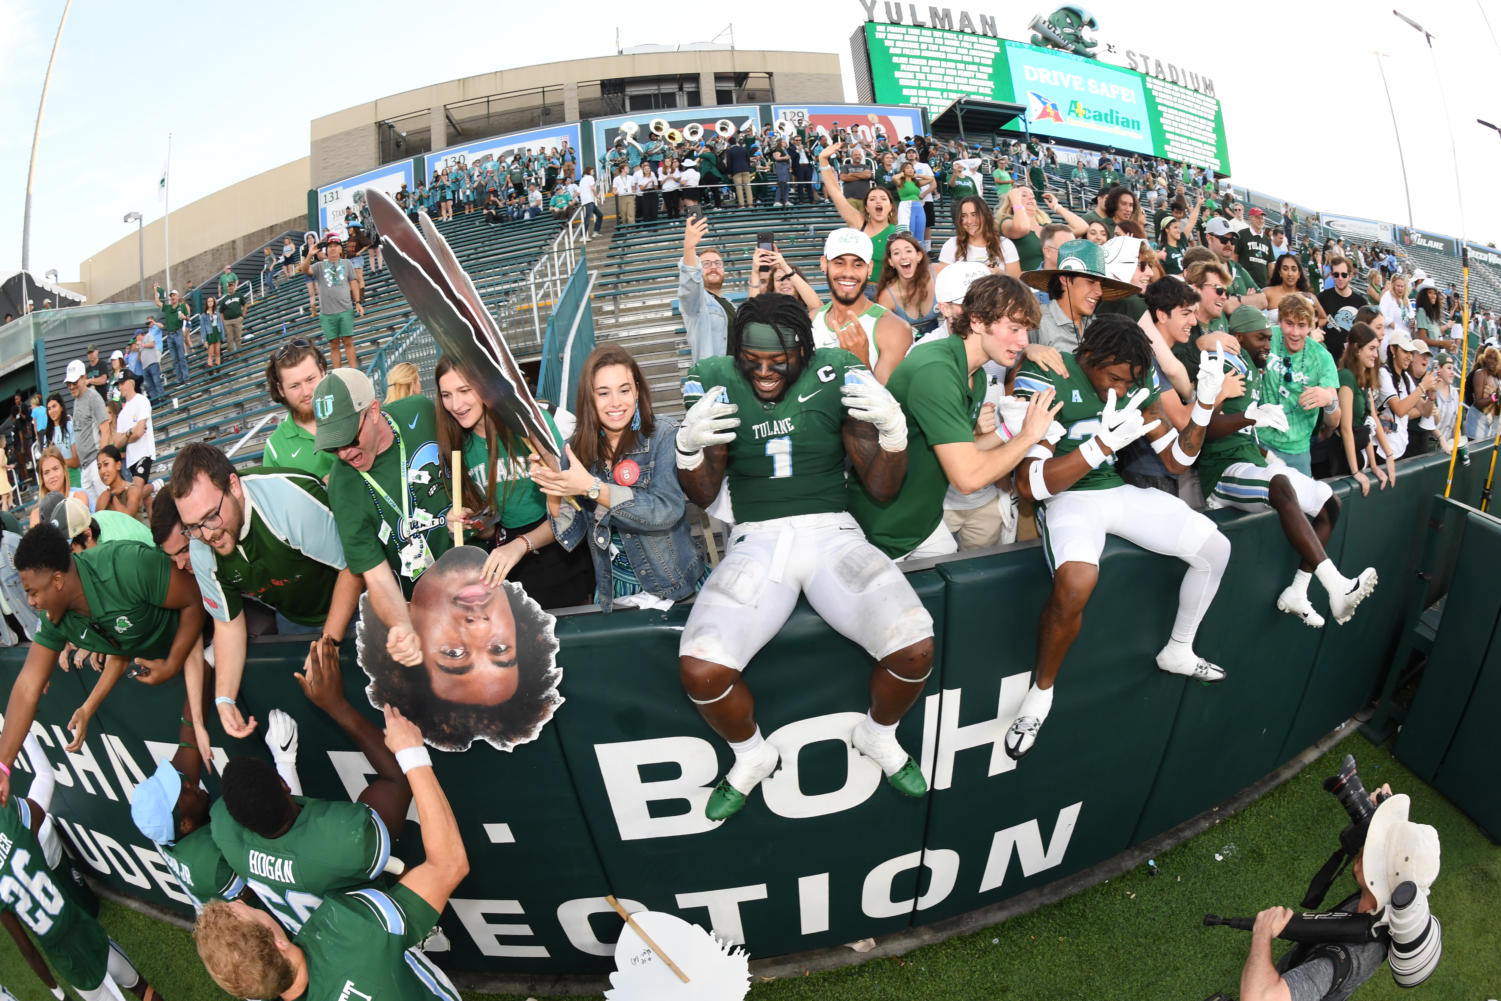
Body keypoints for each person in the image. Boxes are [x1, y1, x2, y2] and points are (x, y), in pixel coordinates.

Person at [675, 293, 935, 819]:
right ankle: (750, 754)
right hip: (756, 537)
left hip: (832, 531)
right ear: (735, 351)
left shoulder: (834, 369)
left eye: (779, 361)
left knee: (914, 645)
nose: (765, 374)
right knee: (702, 668)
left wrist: (894, 434)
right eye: (753, 361)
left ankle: (878, 734)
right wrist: (687, 451)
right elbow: (703, 495)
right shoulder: (716, 376)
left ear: (805, 350)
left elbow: (882, 488)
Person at [1009, 315, 1236, 759]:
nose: (1117, 390)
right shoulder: (1049, 374)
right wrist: (1099, 446)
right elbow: (1028, 484)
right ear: (1088, 355)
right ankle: (1040, 693)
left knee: (1216, 548)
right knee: (1076, 582)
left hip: (1118, 489)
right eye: (1112, 377)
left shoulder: (1133, 382)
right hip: (1069, 497)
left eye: (1127, 382)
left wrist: (1204, 407)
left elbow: (1176, 460)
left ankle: (1179, 648)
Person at [194, 705, 466, 1001]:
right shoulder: (352, 930)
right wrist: (412, 755)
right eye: (247, 908)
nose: (245, 903)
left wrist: (285, 763)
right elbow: (449, 865)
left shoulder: (265, 979)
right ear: (277, 943)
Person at [850, 275, 1062, 561]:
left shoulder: (977, 376)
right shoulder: (936, 370)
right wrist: (1028, 436)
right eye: (1013, 328)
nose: (1023, 340)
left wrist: (1009, 433)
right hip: (881, 529)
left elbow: (962, 449)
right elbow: (967, 477)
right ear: (976, 321)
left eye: (1027, 330)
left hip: (923, 523)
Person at [1198, 306, 1377, 628]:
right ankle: (1336, 584)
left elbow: (1247, 431)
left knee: (1329, 502)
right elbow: (1202, 429)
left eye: (1270, 337)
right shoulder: (1223, 363)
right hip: (1221, 470)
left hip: (1251, 458)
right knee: (1280, 484)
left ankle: (1298, 591)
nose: (1270, 343)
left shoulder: (1253, 366)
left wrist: (1265, 448)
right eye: (1263, 338)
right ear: (1239, 338)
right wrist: (1251, 416)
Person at [170, 442, 362, 736]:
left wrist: (328, 644)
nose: (207, 534)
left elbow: (352, 567)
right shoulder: (200, 546)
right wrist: (224, 698)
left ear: (233, 486)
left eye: (211, 517)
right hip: (294, 617)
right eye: (193, 526)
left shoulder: (289, 501)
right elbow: (228, 624)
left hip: (355, 603)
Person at [0, 526, 208, 793]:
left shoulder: (124, 566)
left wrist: (172, 663)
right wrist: (4, 767)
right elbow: (28, 686)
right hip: (167, 663)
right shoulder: (55, 617)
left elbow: (195, 598)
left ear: (57, 580)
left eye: (32, 592)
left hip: (211, 636)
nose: (30, 602)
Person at [528, 345, 704, 610]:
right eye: (603, 393)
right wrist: (553, 484)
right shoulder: (574, 450)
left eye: (624, 390)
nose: (616, 402)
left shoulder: (664, 434)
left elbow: (666, 510)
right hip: (614, 591)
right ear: (589, 397)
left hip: (675, 585)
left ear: (636, 390)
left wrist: (592, 487)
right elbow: (570, 531)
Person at [0, 735, 161, 1001]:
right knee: (143, 990)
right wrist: (24, 731)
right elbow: (44, 776)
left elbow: (27, 949)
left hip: (68, 962)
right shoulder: (9, 820)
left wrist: (58, 993)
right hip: (86, 931)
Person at [1239, 790, 1439, 1001]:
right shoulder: (1385, 903)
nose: (1365, 849)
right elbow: (1406, 861)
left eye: (1376, 849)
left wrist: (1261, 935)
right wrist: (1381, 815)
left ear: (1381, 875)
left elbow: (1258, 998)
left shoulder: (1347, 956)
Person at [314, 368, 450, 672]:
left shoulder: (421, 411)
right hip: (423, 610)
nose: (345, 453)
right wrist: (401, 625)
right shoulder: (342, 485)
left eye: (350, 438)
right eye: (334, 446)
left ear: (373, 411)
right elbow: (375, 576)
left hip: (480, 578)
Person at [434, 358, 592, 609]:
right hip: (510, 564)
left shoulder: (533, 423)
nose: (456, 404)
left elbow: (569, 512)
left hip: (561, 555)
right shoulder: (458, 446)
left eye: (465, 391)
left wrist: (521, 545)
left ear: (485, 384)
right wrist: (467, 524)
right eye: (446, 395)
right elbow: (490, 527)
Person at [813, 228, 912, 384]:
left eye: (858, 264)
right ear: (824, 264)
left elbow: (890, 403)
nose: (848, 272)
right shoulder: (812, 319)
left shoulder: (894, 329)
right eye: (839, 263)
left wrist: (860, 363)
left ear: (869, 269)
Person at [1256, 296, 1340, 474]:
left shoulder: (1322, 358)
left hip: (1295, 451)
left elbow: (1334, 421)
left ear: (1311, 326)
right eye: (1289, 323)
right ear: (1280, 320)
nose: (1295, 332)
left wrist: (1329, 401)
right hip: (1258, 441)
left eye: (1301, 325)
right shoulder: (1267, 336)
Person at [1021, 239, 1139, 353]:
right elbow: (1011, 371)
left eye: (1101, 284)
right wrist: (1028, 351)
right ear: (1065, 280)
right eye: (1091, 282)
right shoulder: (1036, 322)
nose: (1099, 292)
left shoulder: (1098, 327)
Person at [820, 142, 901, 287]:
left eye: (883, 199)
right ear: (867, 207)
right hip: (861, 292)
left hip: (891, 292)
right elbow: (835, 192)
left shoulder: (899, 232)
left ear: (890, 207)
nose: (878, 202)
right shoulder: (859, 224)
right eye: (872, 199)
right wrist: (823, 160)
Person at [1336, 323, 1397, 494]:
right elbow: (1346, 428)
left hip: (1358, 455)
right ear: (1357, 349)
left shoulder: (1364, 378)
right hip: (1342, 460)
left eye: (1376, 349)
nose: (1375, 355)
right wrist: (1356, 472)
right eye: (1371, 349)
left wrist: (1375, 466)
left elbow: (1367, 425)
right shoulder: (1347, 377)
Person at [262, 339, 334, 480]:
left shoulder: (354, 410)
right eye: (294, 386)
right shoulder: (275, 448)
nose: (306, 392)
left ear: (322, 372)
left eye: (310, 379)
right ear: (281, 389)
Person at [302, 232, 364, 370]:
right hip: (327, 313)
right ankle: (338, 375)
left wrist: (358, 302)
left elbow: (354, 283)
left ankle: (354, 372)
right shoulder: (320, 266)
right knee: (334, 345)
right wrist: (310, 254)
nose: (333, 248)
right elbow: (305, 270)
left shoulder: (347, 263)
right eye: (330, 246)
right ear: (327, 249)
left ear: (340, 249)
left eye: (336, 245)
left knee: (348, 342)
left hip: (345, 310)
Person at [679, 215, 736, 362]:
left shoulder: (730, 305)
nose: (713, 267)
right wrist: (689, 247)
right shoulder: (697, 302)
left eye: (718, 263)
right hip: (714, 379)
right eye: (706, 264)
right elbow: (690, 285)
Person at [1374, 333, 1432, 463]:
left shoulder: (1406, 378)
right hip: (1382, 449)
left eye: (1411, 353)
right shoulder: (1384, 373)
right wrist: (1422, 387)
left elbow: (1425, 411)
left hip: (1400, 446)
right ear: (1393, 350)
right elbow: (1399, 410)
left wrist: (1432, 396)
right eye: (1405, 351)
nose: (1409, 357)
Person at [875, 232, 943, 339]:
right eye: (896, 253)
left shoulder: (938, 274)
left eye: (908, 251)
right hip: (905, 342)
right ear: (891, 262)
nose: (903, 257)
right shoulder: (887, 296)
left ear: (919, 256)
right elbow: (883, 335)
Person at [939, 195, 1020, 276]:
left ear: (985, 216)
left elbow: (1017, 283)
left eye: (974, 215)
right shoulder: (951, 245)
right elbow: (942, 281)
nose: (969, 221)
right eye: (964, 216)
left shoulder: (1005, 244)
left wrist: (1001, 275)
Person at [43, 492, 152, 549]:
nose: (73, 559)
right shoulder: (93, 521)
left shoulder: (113, 547)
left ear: (88, 535)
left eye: (72, 551)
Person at [1318, 255, 1365, 361]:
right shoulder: (1322, 298)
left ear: (1350, 276)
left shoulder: (1361, 302)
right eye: (1336, 274)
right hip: (1327, 359)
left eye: (1344, 275)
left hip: (1351, 360)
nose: (1340, 278)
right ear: (1331, 275)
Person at [29, 446, 90, 526]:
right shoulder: (36, 514)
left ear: (64, 470)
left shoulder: (79, 496)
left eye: (55, 469)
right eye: (47, 472)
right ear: (42, 478)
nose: (52, 476)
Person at [114, 371, 156, 483]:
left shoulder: (141, 400)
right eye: (119, 384)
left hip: (144, 453)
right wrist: (130, 432)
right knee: (143, 497)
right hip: (131, 458)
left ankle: (156, 486)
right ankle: (157, 486)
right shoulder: (122, 414)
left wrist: (125, 437)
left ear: (131, 383)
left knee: (136, 492)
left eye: (122, 383)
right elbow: (117, 443)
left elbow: (139, 433)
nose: (120, 387)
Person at [95, 444, 151, 518]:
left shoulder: (132, 489)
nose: (102, 471)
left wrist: (112, 497)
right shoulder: (103, 496)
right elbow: (98, 523)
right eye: (99, 467)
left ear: (118, 465)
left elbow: (128, 518)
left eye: (106, 464)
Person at [154, 285, 192, 385]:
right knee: (175, 359)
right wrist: (155, 291)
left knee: (181, 357)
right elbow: (157, 302)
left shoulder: (182, 306)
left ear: (177, 296)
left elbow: (188, 318)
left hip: (178, 333)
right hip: (170, 335)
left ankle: (186, 377)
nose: (172, 297)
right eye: (171, 296)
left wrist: (185, 317)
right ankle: (180, 379)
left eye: (174, 295)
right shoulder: (167, 307)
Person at [1378, 274, 1412, 350]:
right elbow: (1382, 315)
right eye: (1398, 286)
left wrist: (1413, 322)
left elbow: (1411, 316)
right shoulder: (1388, 296)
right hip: (1390, 338)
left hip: (1405, 339)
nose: (1400, 289)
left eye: (1402, 286)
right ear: (1393, 286)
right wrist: (1395, 326)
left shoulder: (1406, 300)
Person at [220, 276, 249, 355]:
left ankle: (238, 353)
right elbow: (221, 311)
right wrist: (224, 321)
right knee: (230, 339)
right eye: (229, 286)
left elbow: (245, 304)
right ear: (227, 288)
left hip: (237, 319)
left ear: (233, 286)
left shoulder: (239, 295)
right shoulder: (224, 299)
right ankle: (231, 354)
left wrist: (243, 314)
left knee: (238, 337)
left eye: (231, 286)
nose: (230, 287)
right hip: (228, 321)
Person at [199, 295, 225, 370]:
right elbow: (203, 329)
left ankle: (218, 369)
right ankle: (210, 369)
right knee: (210, 353)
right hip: (210, 334)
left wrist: (222, 335)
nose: (210, 303)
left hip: (217, 332)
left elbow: (220, 324)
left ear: (214, 302)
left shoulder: (217, 313)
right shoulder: (203, 315)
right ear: (206, 303)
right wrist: (204, 340)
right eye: (208, 301)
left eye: (211, 301)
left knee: (217, 352)